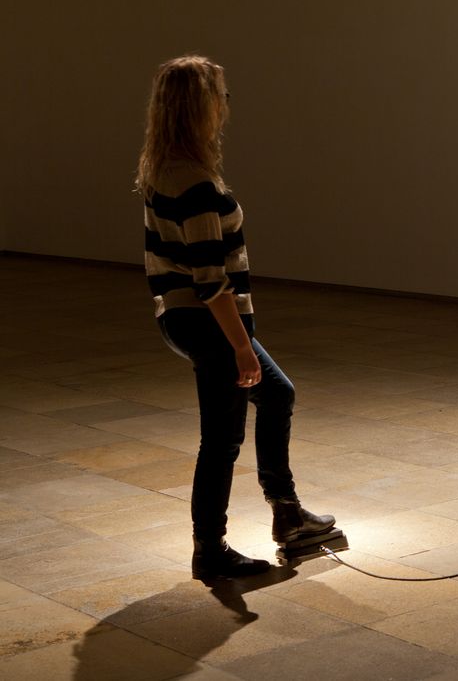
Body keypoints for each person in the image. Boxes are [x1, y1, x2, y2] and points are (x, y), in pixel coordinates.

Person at [136, 55, 337, 580]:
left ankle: (288, 515)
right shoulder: (194, 182)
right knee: (222, 439)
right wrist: (241, 346)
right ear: (199, 106)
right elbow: (210, 279)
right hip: (206, 320)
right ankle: (212, 549)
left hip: (182, 318)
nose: (226, 106)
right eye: (220, 96)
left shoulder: (165, 167)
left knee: (277, 394)